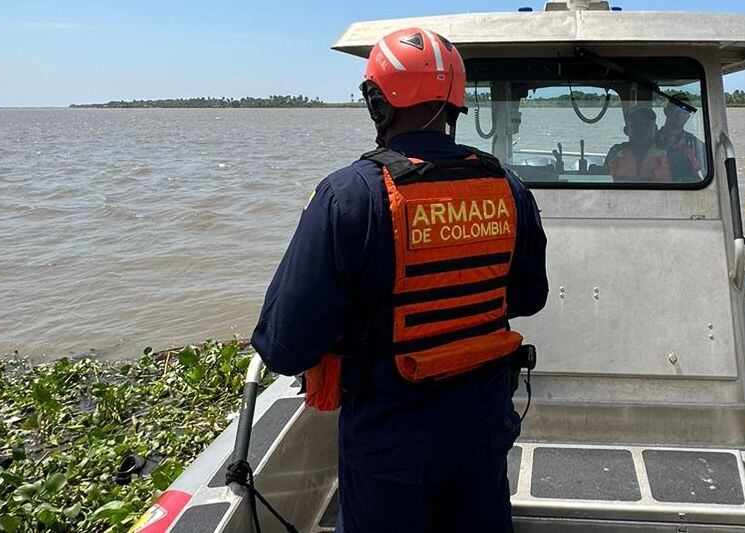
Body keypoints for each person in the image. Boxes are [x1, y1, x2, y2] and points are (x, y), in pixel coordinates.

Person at [251, 26, 549, 533]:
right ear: (457, 105)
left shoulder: (348, 197)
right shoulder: (508, 187)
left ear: (378, 105)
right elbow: (529, 296)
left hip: (391, 448)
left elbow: (285, 345)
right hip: (482, 429)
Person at [605, 105, 698, 183]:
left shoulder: (675, 153)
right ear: (626, 130)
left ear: (656, 129)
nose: (642, 129)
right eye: (636, 124)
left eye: (648, 124)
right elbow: (601, 177)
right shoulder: (615, 152)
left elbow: (692, 185)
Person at [656, 100, 707, 180]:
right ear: (665, 111)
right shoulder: (650, 141)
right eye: (675, 109)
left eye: (685, 111)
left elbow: (709, 176)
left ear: (688, 117)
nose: (679, 113)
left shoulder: (696, 145)